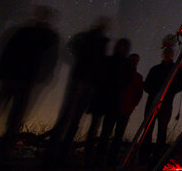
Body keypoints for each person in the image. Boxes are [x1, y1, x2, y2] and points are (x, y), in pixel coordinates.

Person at [0, 5, 60, 158]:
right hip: (17, 78)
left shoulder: (33, 33)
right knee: (4, 115)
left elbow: (48, 60)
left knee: (6, 116)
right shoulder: (38, 34)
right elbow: (9, 50)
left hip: (20, 78)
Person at [45, 17, 110, 167]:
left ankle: (60, 155)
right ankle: (53, 156)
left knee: (73, 120)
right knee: (68, 118)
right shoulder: (88, 39)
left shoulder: (99, 41)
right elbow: (70, 50)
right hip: (81, 80)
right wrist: (81, 63)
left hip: (87, 82)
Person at [85, 37, 132, 166]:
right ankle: (88, 156)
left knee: (106, 132)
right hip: (101, 98)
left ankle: (99, 158)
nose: (120, 48)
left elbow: (127, 81)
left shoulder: (126, 64)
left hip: (113, 100)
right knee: (94, 128)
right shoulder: (107, 60)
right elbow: (96, 76)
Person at [141, 46, 182, 162]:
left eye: (169, 53)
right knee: (148, 130)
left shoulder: (176, 70)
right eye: (166, 53)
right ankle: (144, 156)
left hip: (166, 103)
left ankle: (158, 157)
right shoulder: (155, 69)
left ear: (172, 55)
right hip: (152, 102)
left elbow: (181, 84)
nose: (167, 55)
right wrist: (155, 91)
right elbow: (146, 85)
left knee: (162, 130)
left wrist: (169, 91)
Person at [99, 53, 143, 165]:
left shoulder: (138, 77)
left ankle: (111, 159)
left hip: (126, 110)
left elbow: (139, 94)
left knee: (118, 136)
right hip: (113, 107)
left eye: (136, 61)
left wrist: (132, 106)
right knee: (106, 134)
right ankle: (99, 158)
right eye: (133, 60)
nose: (134, 62)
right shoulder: (118, 73)